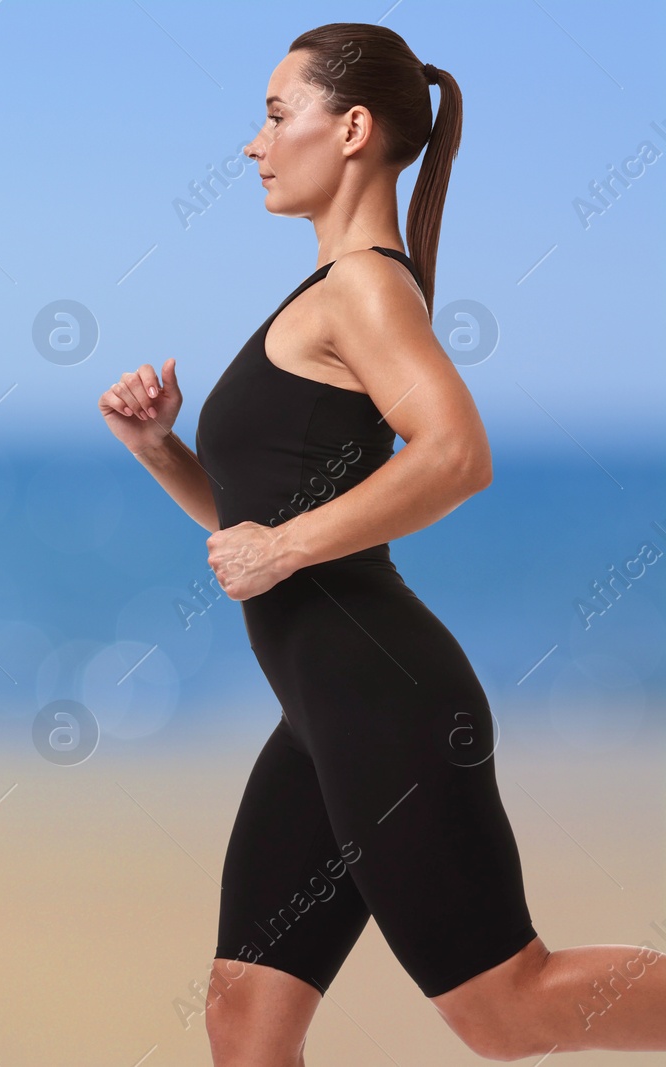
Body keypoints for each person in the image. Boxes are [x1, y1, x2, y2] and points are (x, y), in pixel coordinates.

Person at [98, 22, 666, 1065]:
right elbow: (256, 521)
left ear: (351, 127)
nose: (252, 144)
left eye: (275, 115)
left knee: (508, 1006)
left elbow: (454, 453)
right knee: (243, 1012)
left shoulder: (363, 284)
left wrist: (282, 550)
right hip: (323, 717)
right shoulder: (331, 291)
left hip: (385, 701)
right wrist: (158, 449)